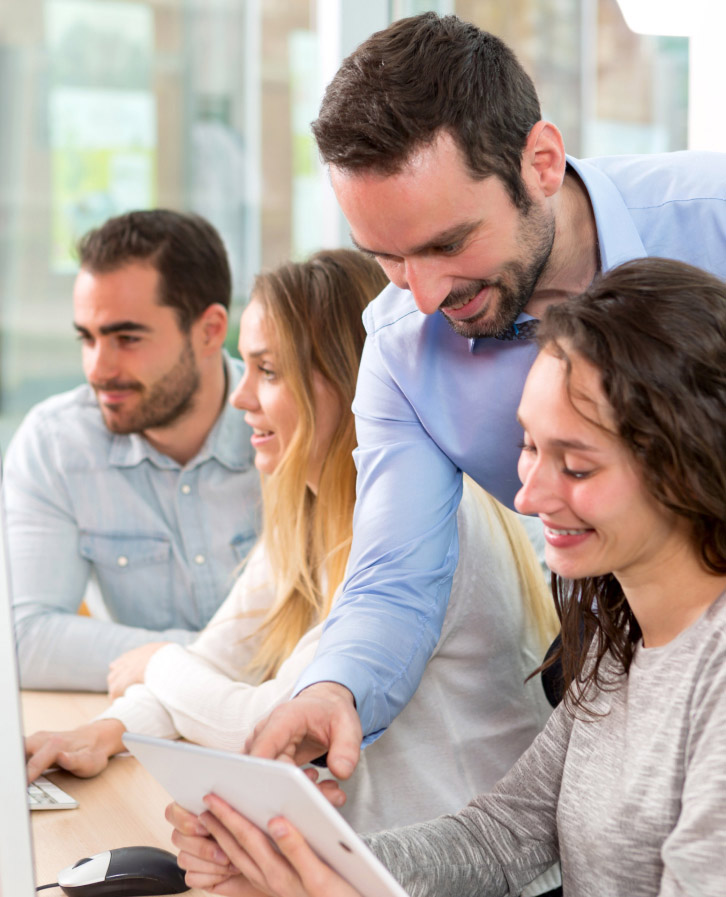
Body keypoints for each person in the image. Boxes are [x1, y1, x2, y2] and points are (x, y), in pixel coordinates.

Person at [244, 11, 726, 777]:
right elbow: (395, 578)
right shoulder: (401, 349)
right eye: (389, 258)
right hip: (624, 669)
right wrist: (332, 689)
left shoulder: (711, 215)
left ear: (540, 161)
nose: (426, 296)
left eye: (446, 243)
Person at [168, 257, 726, 897]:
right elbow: (502, 834)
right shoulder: (618, 637)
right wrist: (303, 861)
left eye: (575, 466)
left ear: (689, 462)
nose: (528, 495)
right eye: (529, 447)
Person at [25, 250, 559, 894]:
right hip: (362, 867)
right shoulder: (309, 510)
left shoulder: (426, 527)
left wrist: (158, 661)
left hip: (464, 876)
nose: (242, 397)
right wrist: (112, 727)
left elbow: (271, 725)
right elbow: (221, 654)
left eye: (268, 371)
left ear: (349, 381)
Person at [7, 209, 261, 692]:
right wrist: (191, 662)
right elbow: (24, 638)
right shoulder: (56, 445)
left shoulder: (288, 428)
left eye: (127, 338)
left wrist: (164, 662)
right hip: (143, 733)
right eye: (88, 338)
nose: (98, 369)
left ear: (209, 331)